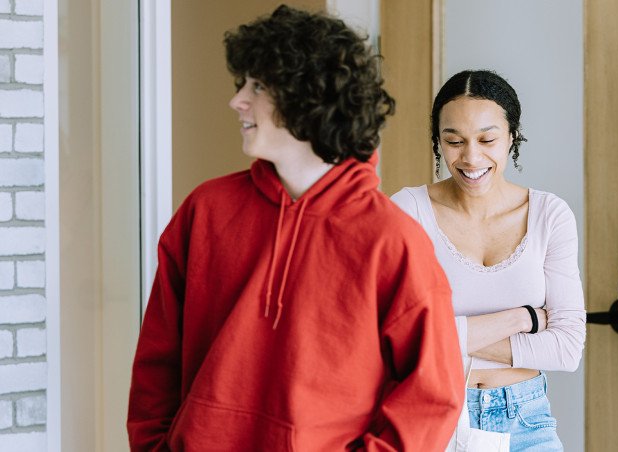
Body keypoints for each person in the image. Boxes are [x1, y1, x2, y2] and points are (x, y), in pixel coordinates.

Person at [127, 5, 465, 451]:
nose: (237, 100)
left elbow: (430, 397)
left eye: (259, 85)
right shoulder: (205, 211)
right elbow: (157, 363)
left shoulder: (391, 240)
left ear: (309, 95)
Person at [391, 70, 586, 451]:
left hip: (527, 418)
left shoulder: (550, 214)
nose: (471, 157)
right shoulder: (407, 210)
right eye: (453, 141)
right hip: (434, 414)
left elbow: (566, 349)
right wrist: (523, 318)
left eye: (487, 139)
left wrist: (441, 337)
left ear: (512, 136)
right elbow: (395, 339)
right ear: (438, 141)